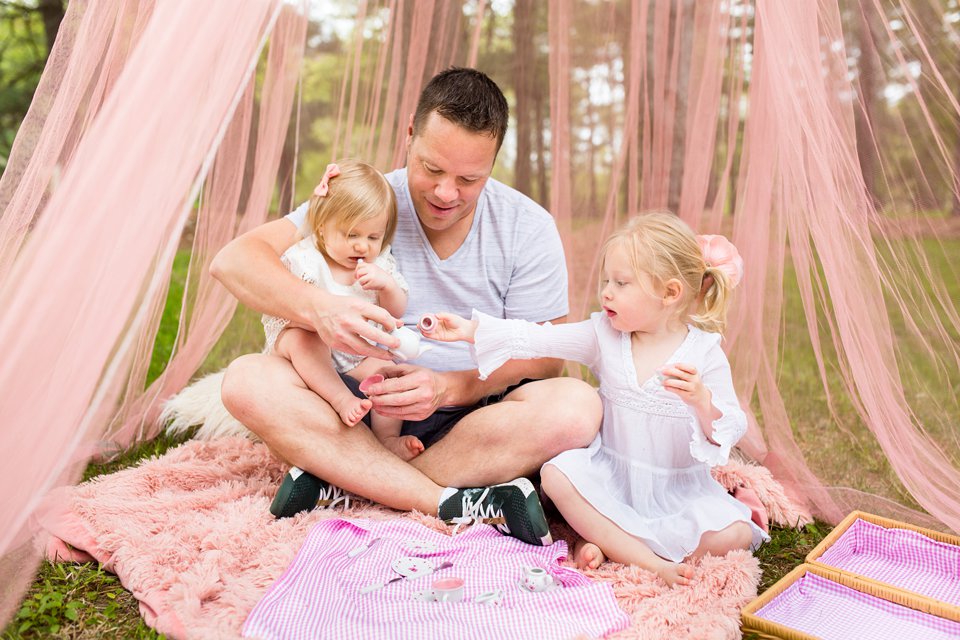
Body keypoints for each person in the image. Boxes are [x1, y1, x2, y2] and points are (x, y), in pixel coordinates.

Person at [210, 67, 601, 545]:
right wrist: (319, 308)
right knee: (247, 380)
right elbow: (234, 262)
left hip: (472, 417)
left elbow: (545, 359)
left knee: (577, 406)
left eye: (468, 179)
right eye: (432, 169)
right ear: (409, 133)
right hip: (353, 403)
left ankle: (346, 480)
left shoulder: (528, 227)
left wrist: (449, 388)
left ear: (494, 163)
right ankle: (443, 498)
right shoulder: (364, 199)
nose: (444, 193)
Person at [421, 212, 770, 585]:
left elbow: (727, 429)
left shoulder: (703, 353)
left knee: (734, 534)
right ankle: (653, 563)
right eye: (607, 280)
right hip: (613, 478)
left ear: (669, 293)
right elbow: (535, 338)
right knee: (556, 477)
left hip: (675, 490)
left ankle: (610, 543)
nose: (606, 292)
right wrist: (472, 330)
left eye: (621, 283)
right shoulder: (603, 334)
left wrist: (701, 400)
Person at [261, 159, 424, 461]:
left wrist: (386, 286)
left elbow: (395, 312)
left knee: (388, 376)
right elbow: (286, 304)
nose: (363, 246)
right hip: (309, 350)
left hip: (356, 355)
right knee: (301, 339)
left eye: (373, 237)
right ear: (322, 229)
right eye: (352, 235)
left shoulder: (379, 264)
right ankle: (340, 399)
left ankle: (385, 439)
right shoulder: (307, 259)